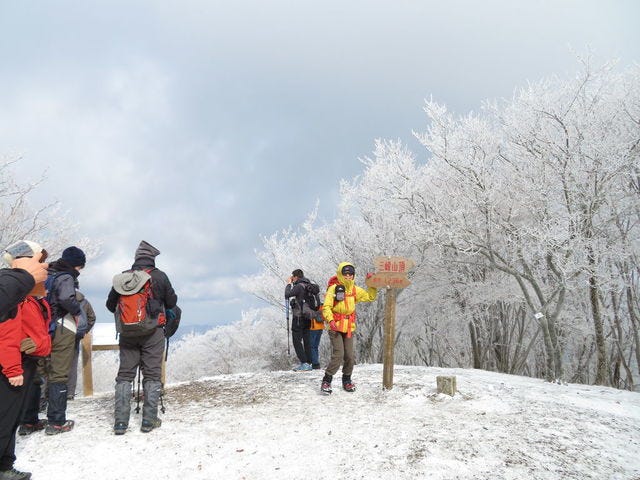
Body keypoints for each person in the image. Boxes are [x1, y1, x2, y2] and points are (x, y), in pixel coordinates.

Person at [106, 240, 177, 435]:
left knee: (125, 375)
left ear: (136, 258)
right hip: (153, 332)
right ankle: (149, 420)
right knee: (152, 374)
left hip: (127, 333)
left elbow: (110, 305)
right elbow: (172, 302)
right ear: (152, 259)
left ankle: (120, 423)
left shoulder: (122, 278)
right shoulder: (159, 277)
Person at [0, 240, 52, 480]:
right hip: (13, 365)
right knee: (5, 419)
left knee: (12, 419)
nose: (43, 266)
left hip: (25, 361)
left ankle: (5, 466)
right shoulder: (14, 295)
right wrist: (12, 369)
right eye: (39, 260)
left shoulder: (27, 294)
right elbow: (6, 334)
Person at [44, 246, 87, 435]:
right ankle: (56, 421)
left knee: (38, 372)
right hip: (61, 327)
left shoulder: (47, 274)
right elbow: (66, 298)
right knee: (59, 374)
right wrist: (77, 313)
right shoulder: (66, 277)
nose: (80, 271)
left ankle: (28, 420)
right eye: (80, 267)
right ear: (76, 264)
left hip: (42, 328)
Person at [320, 262, 377, 394]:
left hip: (349, 327)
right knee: (338, 354)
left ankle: (347, 380)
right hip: (335, 326)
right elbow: (326, 307)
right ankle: (326, 381)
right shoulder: (333, 289)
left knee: (350, 356)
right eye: (345, 273)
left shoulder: (355, 290)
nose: (348, 276)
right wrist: (330, 320)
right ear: (340, 274)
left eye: (351, 274)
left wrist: (371, 283)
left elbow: (370, 296)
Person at [66, 291, 96, 400]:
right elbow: (92, 318)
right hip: (76, 334)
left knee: (55, 362)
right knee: (72, 364)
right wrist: (84, 331)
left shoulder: (58, 297)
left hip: (59, 335)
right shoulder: (84, 301)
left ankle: (52, 392)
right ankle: (70, 392)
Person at [284, 269, 316, 371]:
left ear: (296, 277)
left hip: (298, 317)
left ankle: (304, 363)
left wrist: (289, 284)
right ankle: (309, 363)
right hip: (308, 317)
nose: (292, 279)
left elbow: (287, 294)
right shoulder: (309, 285)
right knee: (307, 340)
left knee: (296, 340)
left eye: (293, 277)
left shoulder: (299, 286)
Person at [309, 305, 324, 370]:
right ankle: (316, 362)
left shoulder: (312, 306)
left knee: (312, 346)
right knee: (315, 346)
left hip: (313, 327)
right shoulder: (322, 306)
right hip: (320, 327)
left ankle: (315, 364)